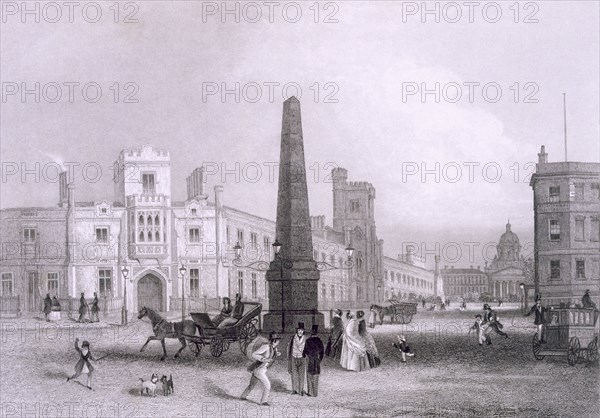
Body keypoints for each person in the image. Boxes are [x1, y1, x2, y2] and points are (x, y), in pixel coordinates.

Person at [241, 332, 281, 406]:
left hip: (261, 369)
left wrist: (276, 354)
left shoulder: (274, 348)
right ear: (274, 341)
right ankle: (263, 401)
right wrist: (264, 359)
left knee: (251, 385)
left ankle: (243, 396)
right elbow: (254, 354)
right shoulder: (266, 347)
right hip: (259, 370)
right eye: (277, 340)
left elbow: (271, 354)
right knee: (267, 385)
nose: (278, 342)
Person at [303, 325, 324, 397]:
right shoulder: (320, 341)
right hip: (317, 360)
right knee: (316, 375)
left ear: (311, 333)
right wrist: (319, 359)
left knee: (309, 375)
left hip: (309, 359)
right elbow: (322, 352)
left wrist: (304, 356)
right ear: (317, 334)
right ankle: (315, 393)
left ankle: (310, 392)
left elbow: (304, 351)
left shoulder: (308, 341)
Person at [287, 322, 307, 395]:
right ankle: (295, 389)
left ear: (303, 331)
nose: (300, 332)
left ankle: (301, 390)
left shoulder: (306, 338)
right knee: (294, 374)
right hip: (294, 357)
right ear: (297, 331)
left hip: (302, 358)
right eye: (299, 330)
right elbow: (289, 347)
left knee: (301, 374)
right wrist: (288, 357)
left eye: (301, 330)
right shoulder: (293, 338)